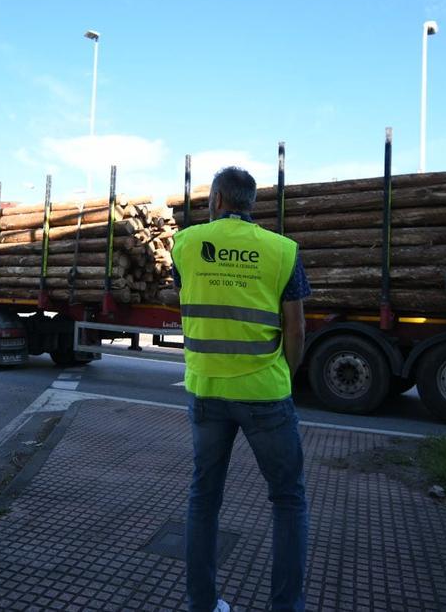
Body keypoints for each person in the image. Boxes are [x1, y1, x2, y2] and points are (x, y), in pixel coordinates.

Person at [171, 167, 311, 612]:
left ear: (215, 201)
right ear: (252, 203)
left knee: (204, 499)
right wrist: (285, 376)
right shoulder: (282, 251)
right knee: (287, 500)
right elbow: (297, 329)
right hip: (265, 394)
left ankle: (202, 604)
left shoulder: (185, 245)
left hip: (207, 391)